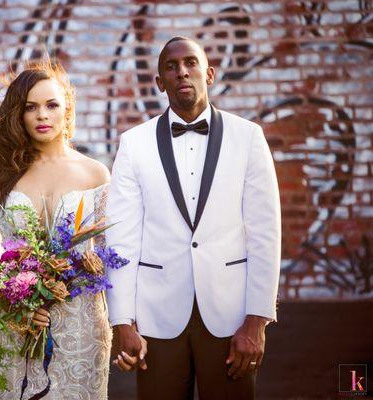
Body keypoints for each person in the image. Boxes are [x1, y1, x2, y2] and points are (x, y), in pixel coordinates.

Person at [105, 36, 281, 399]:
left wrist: (257, 319)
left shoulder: (248, 137)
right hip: (157, 316)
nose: (181, 71)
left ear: (210, 73)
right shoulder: (133, 143)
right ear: (159, 82)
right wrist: (121, 321)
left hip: (231, 316)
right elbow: (122, 237)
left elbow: (266, 233)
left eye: (190, 63)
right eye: (170, 67)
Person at [0, 60, 113, 399]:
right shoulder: (2, 175)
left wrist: (128, 325)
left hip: (81, 324)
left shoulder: (96, 174)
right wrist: (14, 297)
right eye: (30, 107)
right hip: (17, 324)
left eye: (51, 105)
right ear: (18, 115)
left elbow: (112, 252)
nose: (42, 115)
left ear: (67, 110)